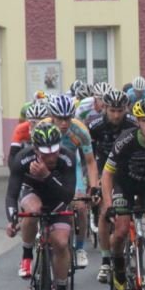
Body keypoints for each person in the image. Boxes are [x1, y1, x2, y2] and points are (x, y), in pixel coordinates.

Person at [4, 122, 77, 290]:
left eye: (54, 151)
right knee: (33, 211)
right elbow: (11, 194)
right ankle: (27, 255)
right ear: (35, 149)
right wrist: (12, 219)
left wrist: (46, 175)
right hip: (32, 193)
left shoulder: (67, 158)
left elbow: (67, 195)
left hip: (58, 198)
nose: (51, 157)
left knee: (61, 243)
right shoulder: (22, 158)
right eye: (46, 153)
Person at [100, 97, 145, 290]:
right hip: (124, 186)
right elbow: (107, 173)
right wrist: (109, 205)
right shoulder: (125, 140)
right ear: (137, 122)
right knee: (121, 230)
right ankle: (119, 268)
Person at [87, 89, 138, 283]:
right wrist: (95, 183)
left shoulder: (132, 123)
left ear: (126, 109)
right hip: (103, 168)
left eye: (120, 111)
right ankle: (106, 260)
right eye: (112, 111)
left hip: (125, 169)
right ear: (104, 108)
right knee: (104, 211)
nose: (116, 115)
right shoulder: (95, 126)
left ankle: (133, 245)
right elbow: (90, 159)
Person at [46, 93, 100, 269]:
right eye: (60, 119)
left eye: (68, 118)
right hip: (48, 167)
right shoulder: (42, 128)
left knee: (81, 206)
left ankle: (80, 248)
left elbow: (90, 162)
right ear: (52, 116)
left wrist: (94, 188)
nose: (64, 123)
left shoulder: (80, 130)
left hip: (71, 167)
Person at [6, 101, 47, 165]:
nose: (37, 125)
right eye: (33, 122)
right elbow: (12, 155)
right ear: (28, 121)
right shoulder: (21, 129)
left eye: (41, 122)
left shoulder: (51, 127)